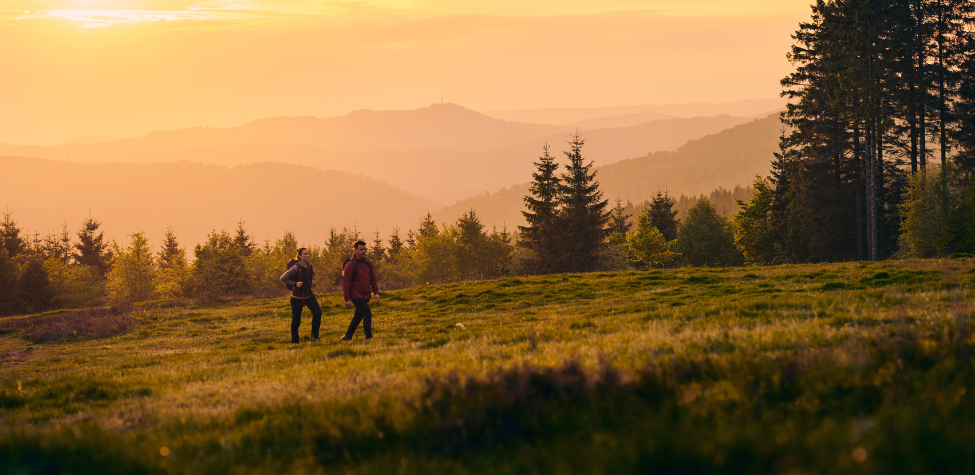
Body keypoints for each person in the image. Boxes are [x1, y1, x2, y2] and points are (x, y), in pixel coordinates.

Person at [280, 247, 322, 344]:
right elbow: (283, 278)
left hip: (308, 295)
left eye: (308, 253)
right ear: (299, 256)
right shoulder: (296, 267)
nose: (307, 255)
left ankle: (315, 337)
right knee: (296, 320)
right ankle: (295, 342)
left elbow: (309, 276)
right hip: (296, 297)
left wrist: (312, 281)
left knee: (317, 313)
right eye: (305, 254)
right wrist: (295, 284)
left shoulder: (310, 265)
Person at [341, 240, 380, 341]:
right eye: (361, 249)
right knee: (367, 314)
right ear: (355, 250)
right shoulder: (350, 265)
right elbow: (345, 283)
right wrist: (347, 299)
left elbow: (373, 279)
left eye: (364, 249)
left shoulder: (368, 263)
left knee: (358, 316)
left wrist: (376, 292)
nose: (363, 251)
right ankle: (369, 337)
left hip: (366, 294)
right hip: (355, 295)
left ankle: (348, 336)